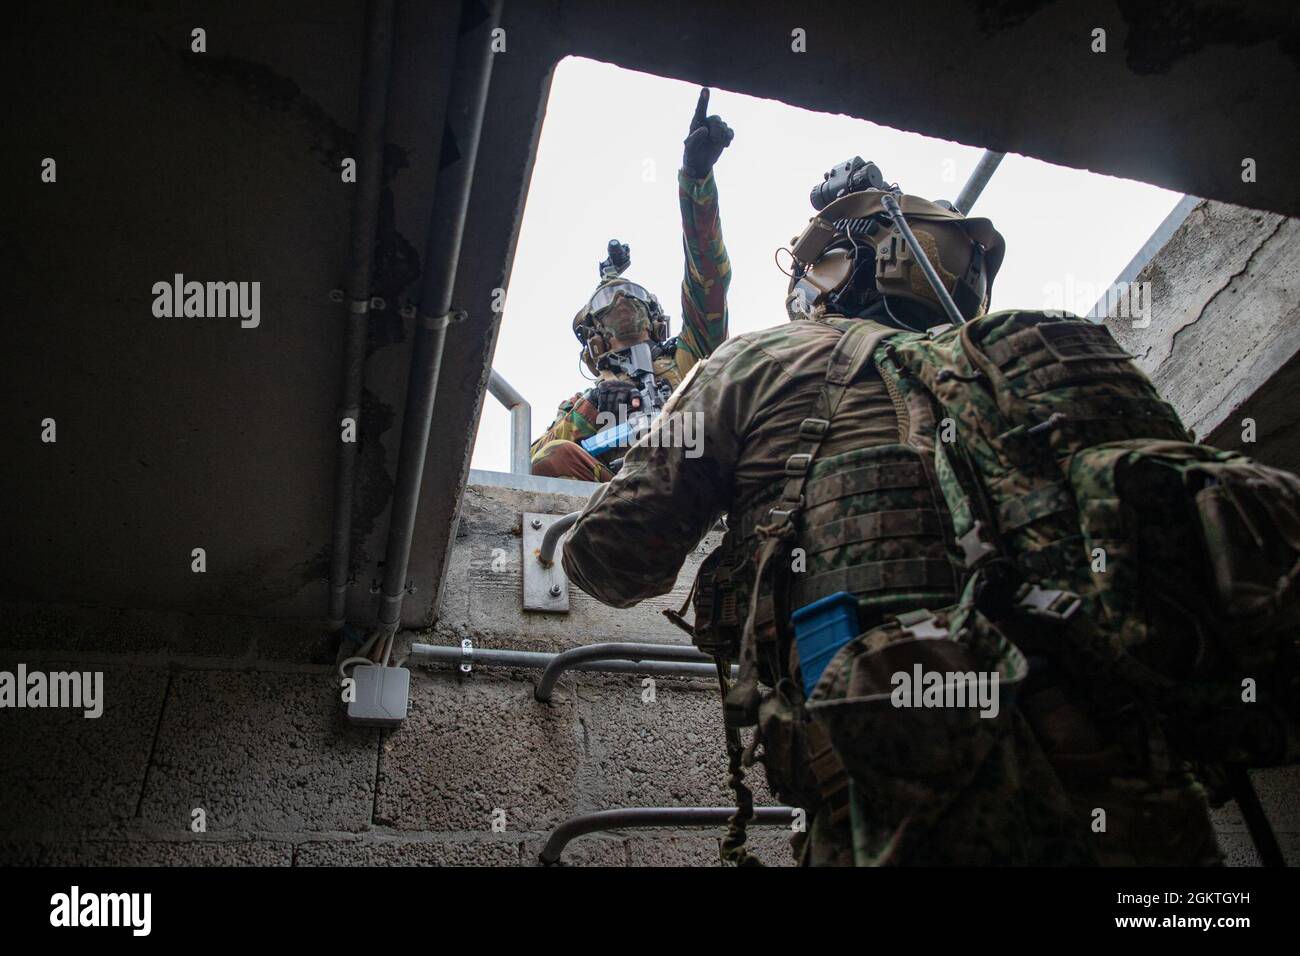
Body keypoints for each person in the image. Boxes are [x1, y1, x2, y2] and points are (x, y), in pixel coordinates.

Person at [559, 159, 1257, 866]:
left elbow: (612, 560)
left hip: (906, 805)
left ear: (834, 273)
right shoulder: (1039, 371)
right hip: (1149, 815)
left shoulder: (760, 362)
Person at [530, 89, 733, 482]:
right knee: (555, 456)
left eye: (635, 295)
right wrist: (593, 407)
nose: (623, 299)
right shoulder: (581, 404)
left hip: (695, 486)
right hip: (619, 499)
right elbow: (537, 462)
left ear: (656, 318)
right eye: (607, 301)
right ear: (595, 337)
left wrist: (697, 180)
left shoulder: (689, 358)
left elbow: (708, 275)